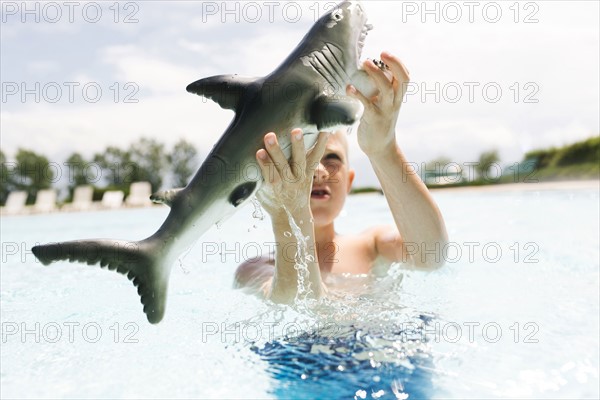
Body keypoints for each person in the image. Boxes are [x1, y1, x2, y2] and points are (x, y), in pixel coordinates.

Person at [234, 52, 448, 303]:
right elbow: (295, 302)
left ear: (348, 182)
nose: (317, 170)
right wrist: (289, 214)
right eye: (302, 159)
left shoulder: (371, 245)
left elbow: (430, 256)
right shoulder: (255, 269)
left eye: (332, 159)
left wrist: (383, 149)